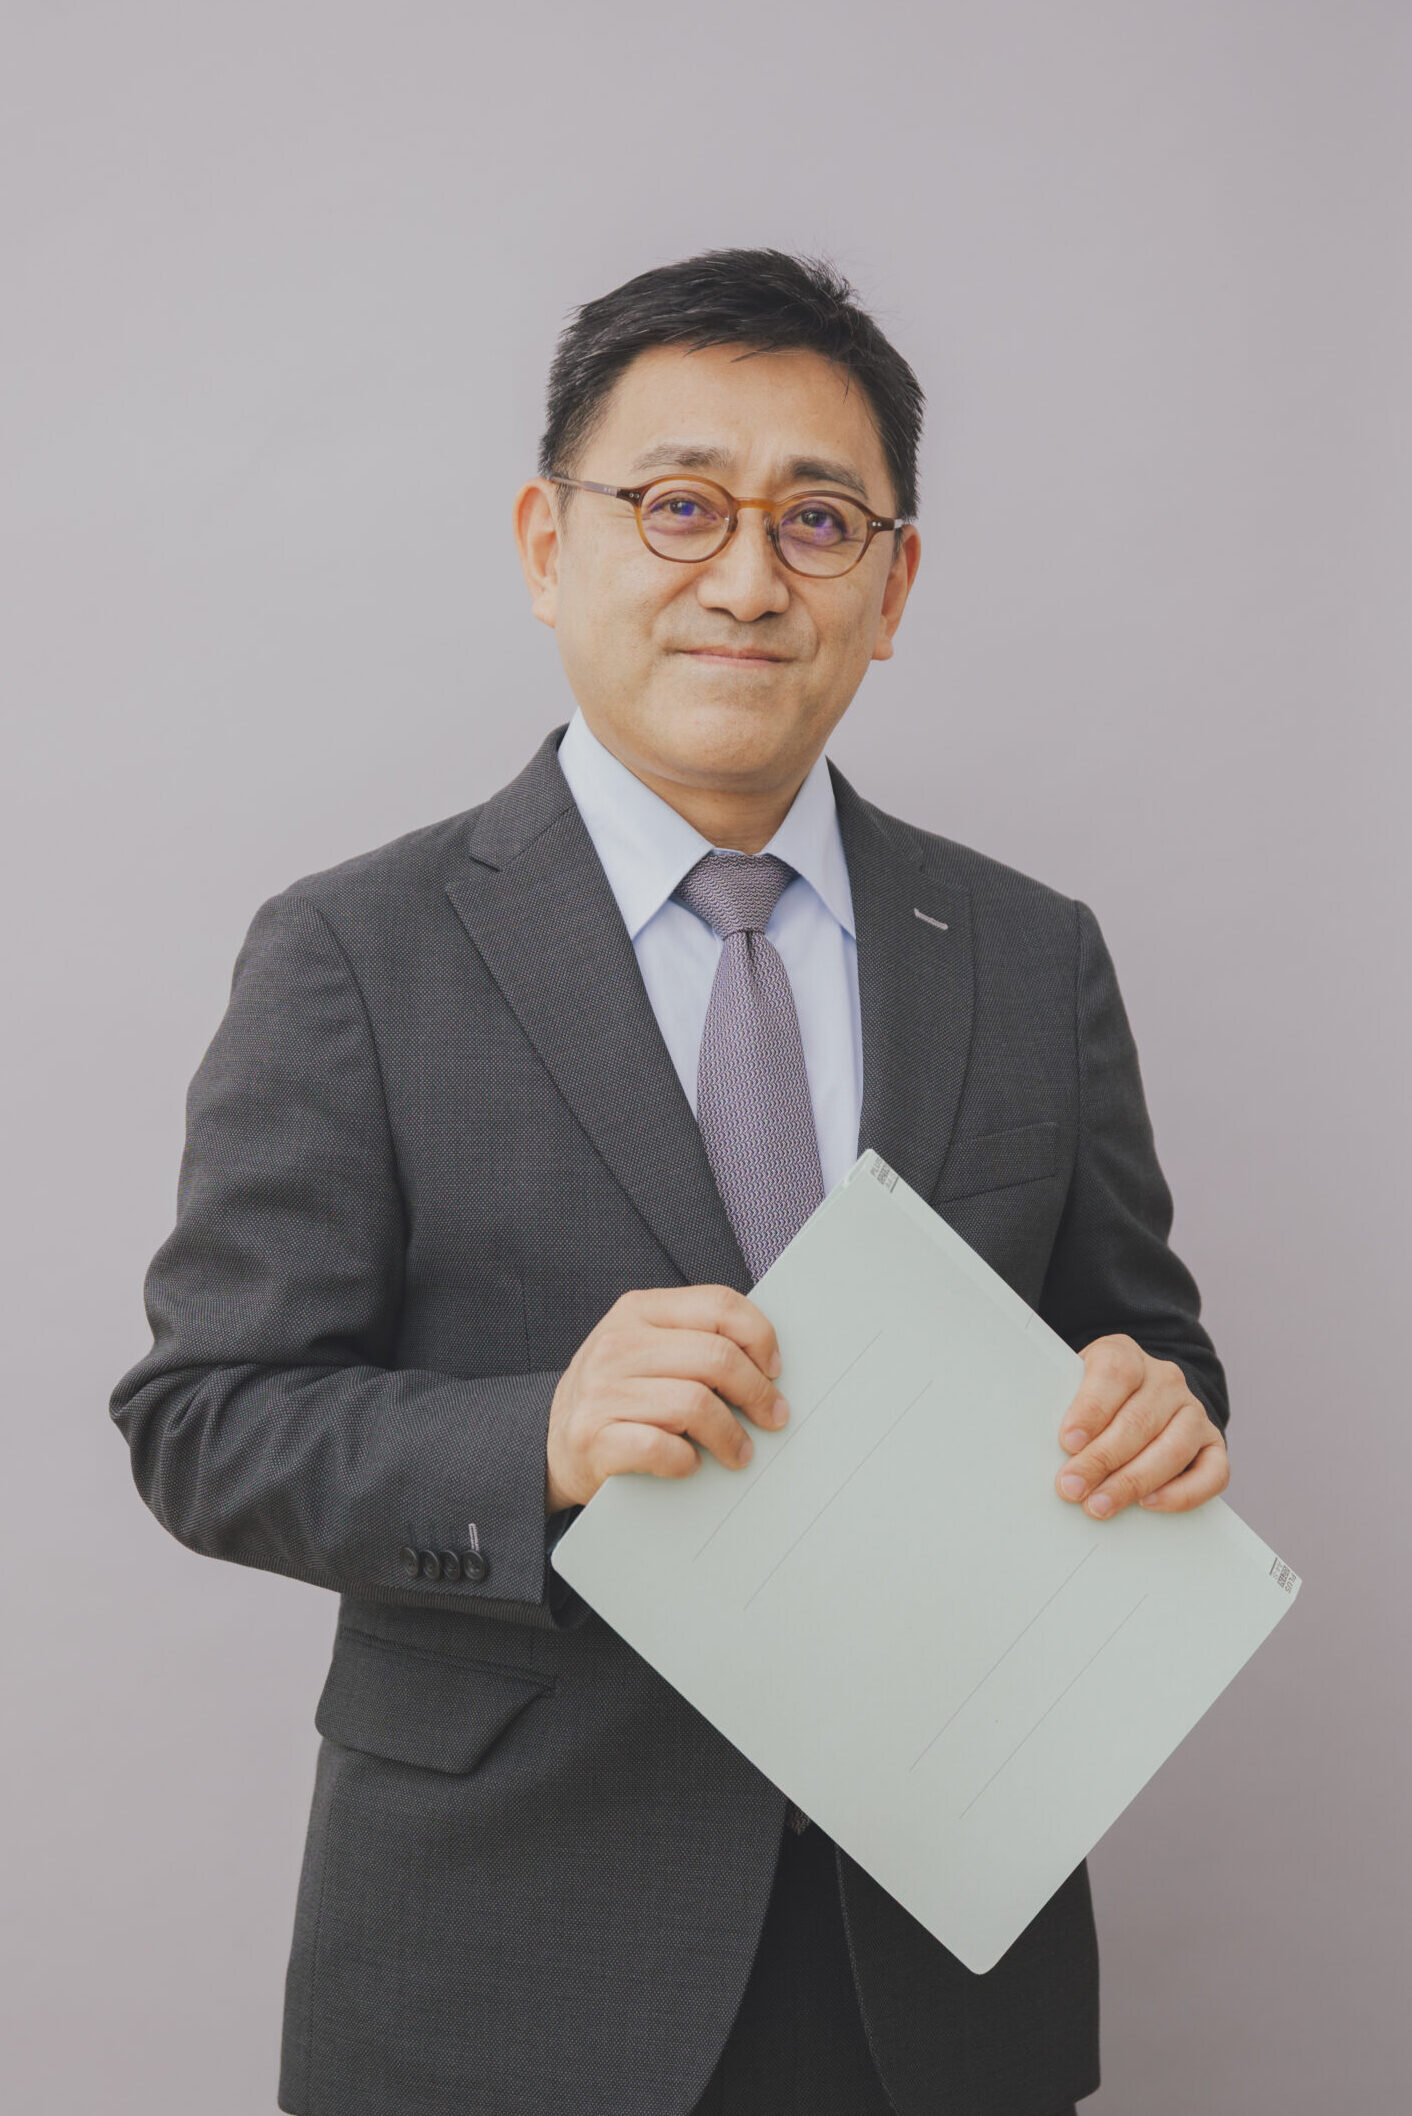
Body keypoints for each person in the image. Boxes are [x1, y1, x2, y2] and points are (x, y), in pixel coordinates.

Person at [110, 247, 1231, 2116]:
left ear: (893, 589)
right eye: (682, 504)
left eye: (819, 521)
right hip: (504, 1967)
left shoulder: (1029, 955)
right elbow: (203, 1420)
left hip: (937, 1969)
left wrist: (1158, 1414)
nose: (747, 576)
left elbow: (1147, 1345)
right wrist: (538, 1437)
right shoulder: (357, 952)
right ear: (548, 545)